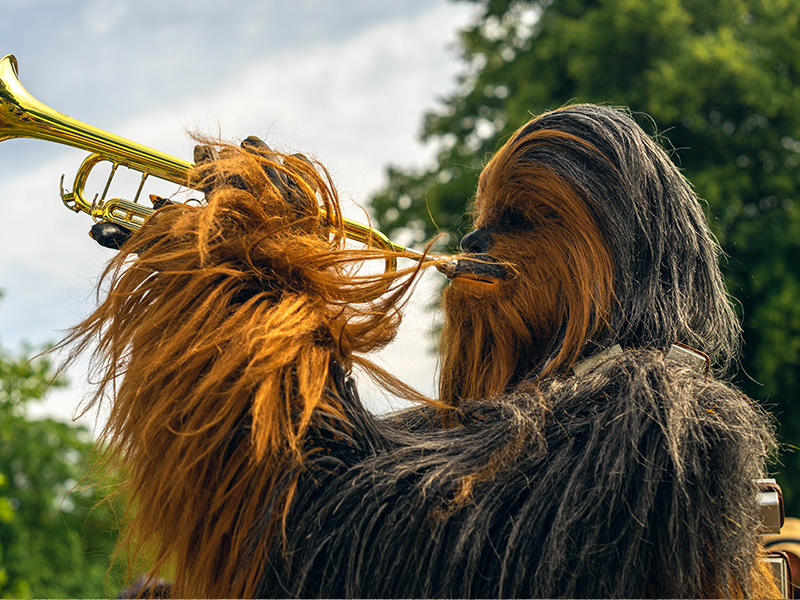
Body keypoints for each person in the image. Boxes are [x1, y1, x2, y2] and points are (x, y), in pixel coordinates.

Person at [63, 104, 778, 598]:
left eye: (518, 220)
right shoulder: (464, 433)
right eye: (479, 223)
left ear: (627, 259)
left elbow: (327, 552)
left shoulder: (662, 425)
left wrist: (243, 293)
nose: (474, 246)